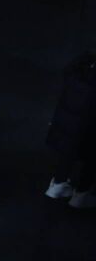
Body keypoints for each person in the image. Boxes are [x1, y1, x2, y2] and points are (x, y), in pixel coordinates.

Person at [46, 52, 96, 208]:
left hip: (70, 123)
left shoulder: (79, 68)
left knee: (69, 150)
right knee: (92, 157)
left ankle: (57, 185)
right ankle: (80, 195)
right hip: (89, 126)